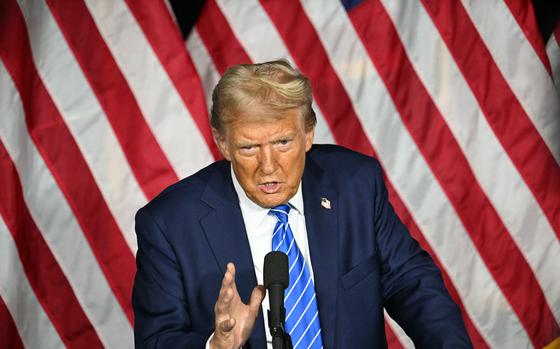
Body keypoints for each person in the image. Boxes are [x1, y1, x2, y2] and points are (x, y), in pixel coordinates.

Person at [132, 60, 472, 348]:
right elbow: (156, 339)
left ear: (308, 133)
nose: (268, 166)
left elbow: (412, 285)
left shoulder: (354, 185)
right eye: (249, 148)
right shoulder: (169, 224)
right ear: (222, 143)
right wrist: (216, 346)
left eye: (282, 142)